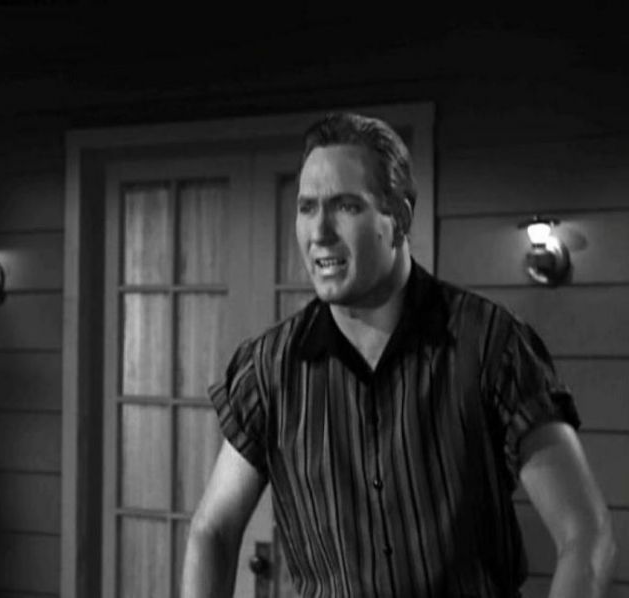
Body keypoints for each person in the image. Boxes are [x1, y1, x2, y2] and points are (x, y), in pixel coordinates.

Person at [180, 112, 616, 597]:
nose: (319, 231)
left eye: (345, 206)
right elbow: (212, 530)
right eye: (307, 208)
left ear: (400, 218)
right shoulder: (272, 368)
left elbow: (586, 536)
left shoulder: (490, 346)